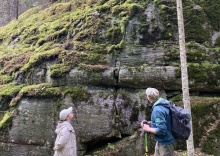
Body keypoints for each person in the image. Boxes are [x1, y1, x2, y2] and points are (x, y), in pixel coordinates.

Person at [141, 88, 176, 156]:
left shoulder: (157, 110)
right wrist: (149, 123)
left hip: (166, 142)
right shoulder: (163, 103)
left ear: (148, 97)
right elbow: (164, 121)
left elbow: (161, 130)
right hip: (162, 141)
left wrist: (147, 129)